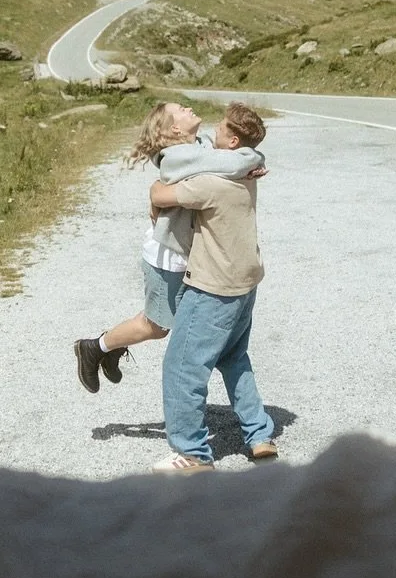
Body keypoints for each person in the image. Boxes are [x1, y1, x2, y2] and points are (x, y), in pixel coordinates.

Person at [73, 101, 266, 394]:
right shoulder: (178, 156)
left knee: (170, 323)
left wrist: (247, 159)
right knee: (157, 326)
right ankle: (95, 347)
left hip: (184, 254)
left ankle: (109, 347)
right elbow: (231, 163)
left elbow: (224, 159)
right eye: (181, 109)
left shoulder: (198, 148)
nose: (189, 108)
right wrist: (252, 158)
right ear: (175, 128)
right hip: (167, 258)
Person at [149, 101, 279, 474]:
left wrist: (152, 190)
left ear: (232, 140)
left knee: (183, 367)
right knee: (234, 357)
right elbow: (216, 153)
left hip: (214, 287)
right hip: (246, 281)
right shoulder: (246, 170)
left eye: (220, 130)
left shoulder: (209, 182)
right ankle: (259, 435)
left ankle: (192, 453)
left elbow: (161, 195)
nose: (213, 134)